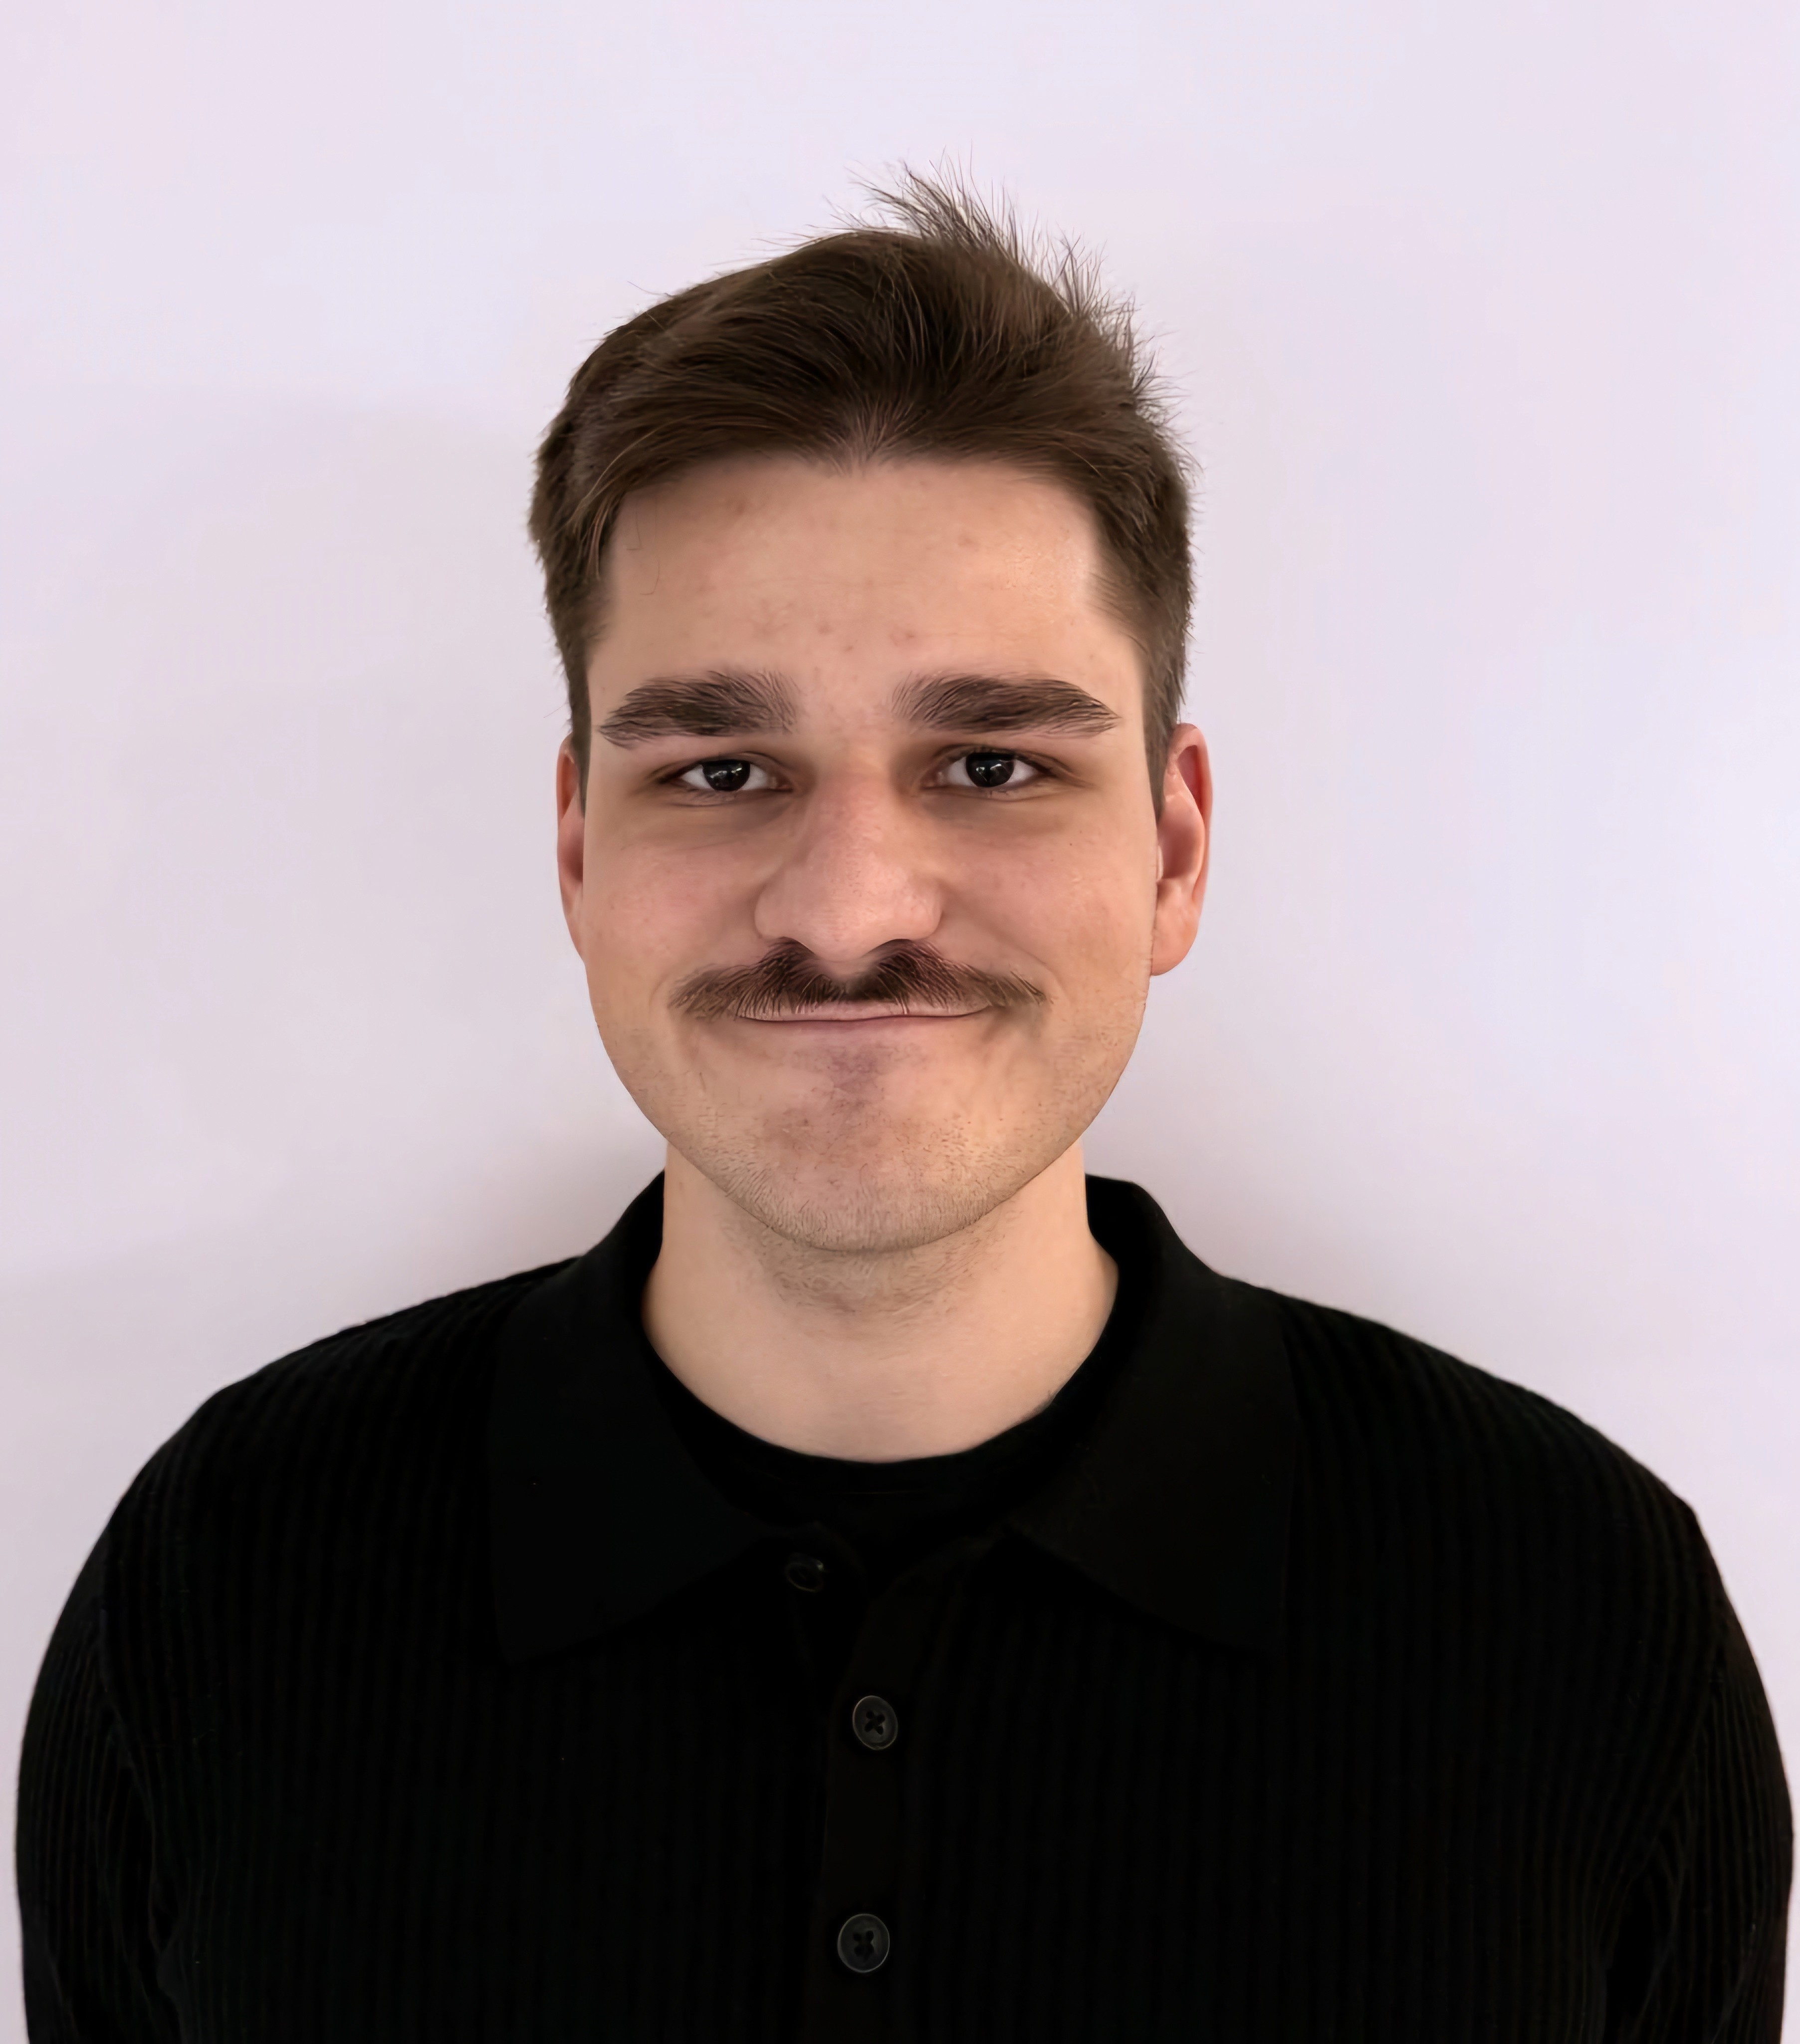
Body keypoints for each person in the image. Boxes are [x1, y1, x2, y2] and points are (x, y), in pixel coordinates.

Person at [16, 177, 1791, 2043]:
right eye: (721, 769)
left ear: (1175, 848)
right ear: (579, 849)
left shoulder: (1582, 1614)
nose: (849, 908)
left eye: (992, 763)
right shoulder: (221, 1586)